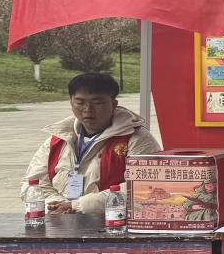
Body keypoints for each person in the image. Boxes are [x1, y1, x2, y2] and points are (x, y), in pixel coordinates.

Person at [22, 73, 160, 215]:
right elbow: (33, 183)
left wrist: (78, 206)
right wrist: (59, 206)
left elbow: (143, 188)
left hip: (113, 222)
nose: (88, 109)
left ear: (113, 104)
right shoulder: (58, 140)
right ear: (71, 103)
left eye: (97, 103)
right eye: (80, 102)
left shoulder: (137, 139)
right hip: (61, 221)